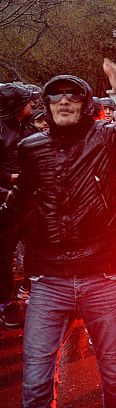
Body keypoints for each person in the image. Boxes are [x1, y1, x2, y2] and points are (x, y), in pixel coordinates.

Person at [0, 59, 116, 408]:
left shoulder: (108, 139)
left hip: (101, 273)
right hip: (48, 279)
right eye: (56, 96)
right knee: (36, 381)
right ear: (46, 104)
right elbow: (17, 207)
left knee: (114, 372)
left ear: (85, 102)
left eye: (72, 96)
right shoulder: (31, 148)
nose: (64, 101)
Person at [0, 83, 38, 328]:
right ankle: (5, 304)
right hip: (5, 198)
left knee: (37, 247)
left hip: (31, 198)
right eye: (28, 100)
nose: (33, 104)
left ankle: (33, 291)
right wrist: (13, 177)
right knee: (4, 252)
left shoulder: (29, 127)